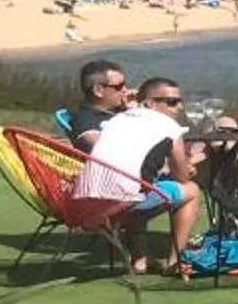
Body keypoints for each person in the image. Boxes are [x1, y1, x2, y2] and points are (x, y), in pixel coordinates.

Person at [71, 76, 207, 273]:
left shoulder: (116, 120)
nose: (179, 107)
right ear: (151, 103)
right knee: (192, 190)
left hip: (89, 203)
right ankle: (174, 262)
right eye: (171, 102)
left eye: (179, 101)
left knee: (142, 186)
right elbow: (182, 178)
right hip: (123, 205)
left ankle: (140, 260)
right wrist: (191, 164)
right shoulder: (169, 127)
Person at [58, 57, 131, 148]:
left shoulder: (122, 109)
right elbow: (106, 148)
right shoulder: (85, 120)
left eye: (124, 84)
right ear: (98, 91)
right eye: (119, 87)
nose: (125, 90)